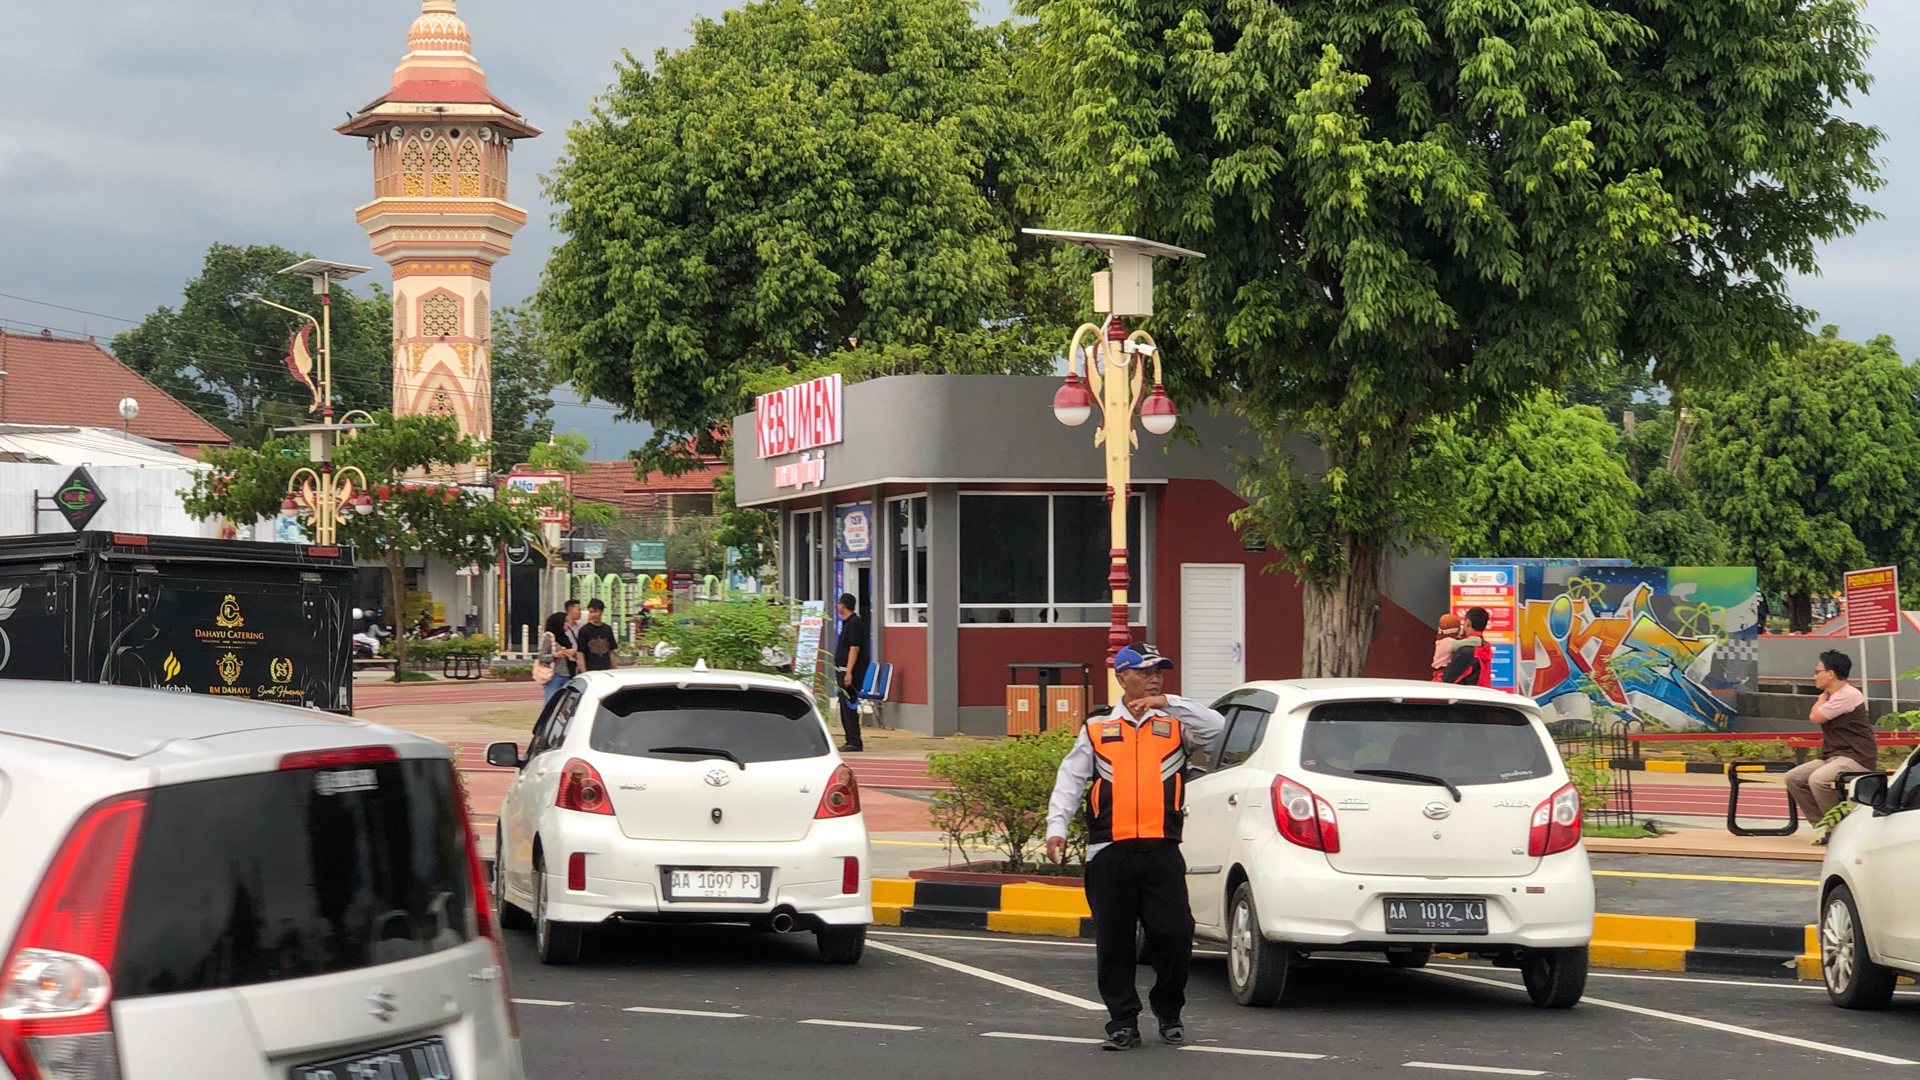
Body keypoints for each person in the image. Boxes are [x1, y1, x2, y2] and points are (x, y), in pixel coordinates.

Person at [1044, 644, 1225, 1051]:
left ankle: (1169, 1010)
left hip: (1161, 849)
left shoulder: (1176, 725)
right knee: (1114, 941)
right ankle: (1123, 1021)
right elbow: (1070, 780)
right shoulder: (1097, 729)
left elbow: (1217, 728)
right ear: (1122, 677)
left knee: (1176, 933)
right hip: (1110, 851)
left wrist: (1169, 703)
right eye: (1145, 672)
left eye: (1159, 671)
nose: (1155, 678)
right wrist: (1057, 827)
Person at [1786, 650, 1878, 844]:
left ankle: (1839, 829)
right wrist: (1826, 694)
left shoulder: (1848, 695)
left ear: (1831, 673)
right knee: (1793, 777)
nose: (1814, 676)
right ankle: (1822, 827)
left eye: (1817, 671)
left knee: (1818, 779)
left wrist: (1823, 695)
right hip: (1833, 756)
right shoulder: (1832, 695)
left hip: (1856, 758)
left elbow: (1815, 717)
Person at [833, 592, 869, 752]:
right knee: (844, 706)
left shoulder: (854, 623)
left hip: (849, 673)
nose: (837, 606)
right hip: (842, 670)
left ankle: (854, 741)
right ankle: (850, 738)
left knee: (849, 706)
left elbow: (854, 649)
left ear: (844, 605)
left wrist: (848, 672)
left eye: (839, 603)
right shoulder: (848, 623)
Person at [537, 604, 579, 704]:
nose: (567, 625)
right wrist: (555, 655)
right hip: (555, 675)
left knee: (567, 704)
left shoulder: (565, 637)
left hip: (568, 674)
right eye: (565, 622)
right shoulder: (549, 637)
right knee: (551, 703)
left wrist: (572, 652)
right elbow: (541, 657)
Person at [1440, 607, 1493, 687]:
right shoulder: (1483, 646)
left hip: (1467, 697)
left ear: (1468, 622)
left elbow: (1447, 679)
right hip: (1482, 695)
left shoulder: (1466, 651)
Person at [576, 598, 618, 672]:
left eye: (596, 612)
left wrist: (614, 668)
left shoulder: (607, 629)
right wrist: (584, 672)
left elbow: (611, 651)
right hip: (590, 669)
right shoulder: (584, 630)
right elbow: (580, 653)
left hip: (606, 669)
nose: (593, 615)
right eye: (591, 612)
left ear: (601, 612)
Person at [1430, 612, 1464, 680]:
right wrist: (1475, 640)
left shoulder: (1442, 641)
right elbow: (1462, 644)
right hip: (1443, 675)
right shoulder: (1448, 641)